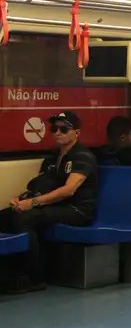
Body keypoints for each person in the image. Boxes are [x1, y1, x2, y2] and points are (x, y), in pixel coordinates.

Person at [0, 111, 96, 293]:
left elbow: (68, 190)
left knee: (26, 218)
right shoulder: (53, 157)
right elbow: (43, 185)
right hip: (57, 206)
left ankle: (33, 277)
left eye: (64, 129)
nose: (57, 132)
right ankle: (9, 272)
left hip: (77, 210)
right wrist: (22, 199)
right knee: (6, 215)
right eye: (54, 128)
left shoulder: (82, 156)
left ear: (76, 133)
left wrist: (32, 203)